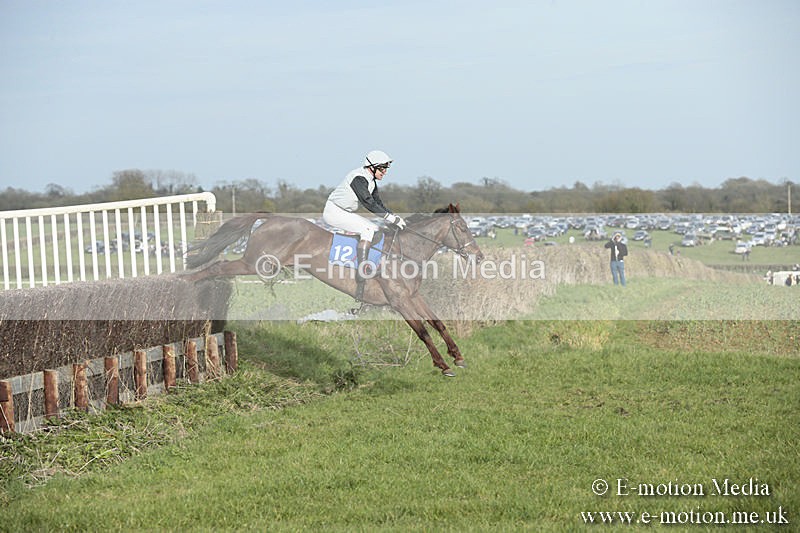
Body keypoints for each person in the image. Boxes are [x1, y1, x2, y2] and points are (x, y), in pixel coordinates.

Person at [323, 150, 406, 301]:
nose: (385, 172)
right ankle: (362, 268)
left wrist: (394, 217)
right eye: (382, 168)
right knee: (368, 229)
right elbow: (368, 203)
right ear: (372, 167)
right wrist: (391, 219)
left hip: (344, 211)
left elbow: (378, 204)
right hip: (334, 211)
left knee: (374, 229)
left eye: (386, 169)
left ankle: (366, 261)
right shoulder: (359, 179)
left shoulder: (371, 182)